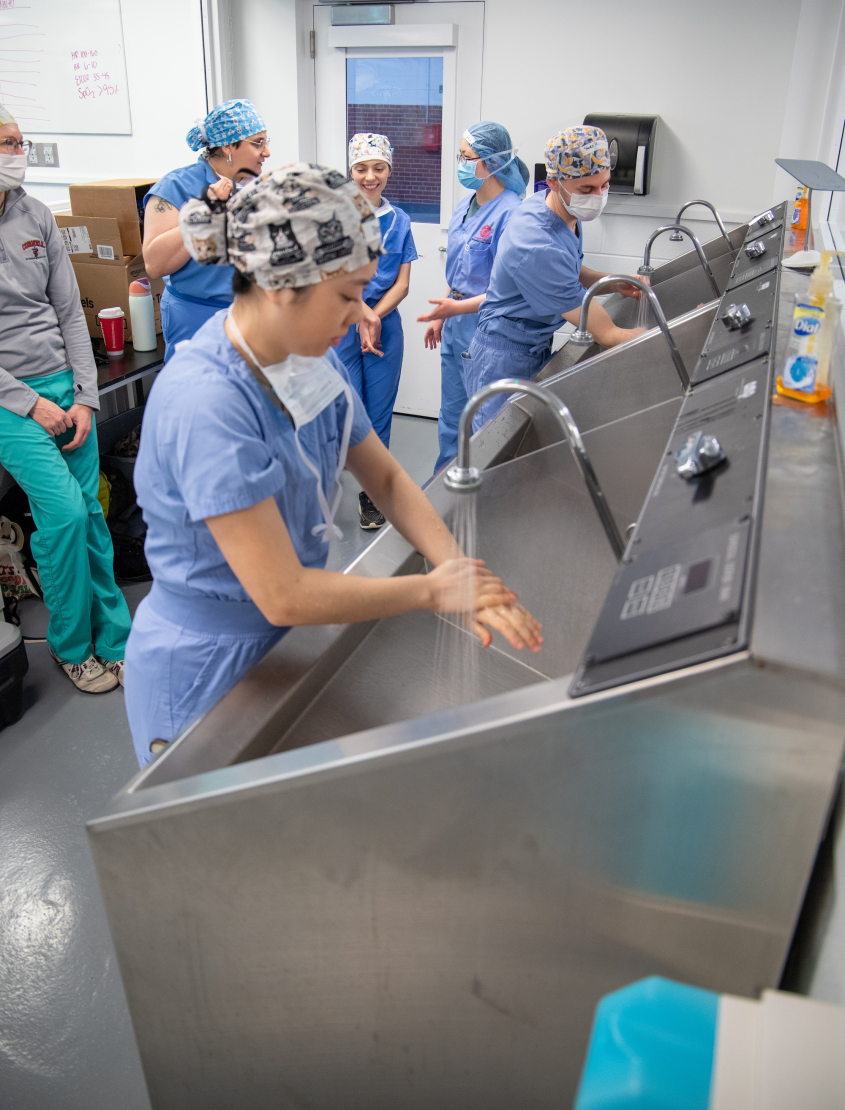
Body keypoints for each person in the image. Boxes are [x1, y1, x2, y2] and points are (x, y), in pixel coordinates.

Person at [124, 163, 541, 767]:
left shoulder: (307, 361)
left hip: (287, 640)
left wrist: (455, 566)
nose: (359, 314)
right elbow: (283, 593)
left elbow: (386, 477)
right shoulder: (207, 402)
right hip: (207, 666)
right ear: (281, 285)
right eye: (347, 296)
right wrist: (430, 590)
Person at [0, 105, 130, 693]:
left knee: (93, 516)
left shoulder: (35, 215)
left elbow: (70, 313)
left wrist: (85, 396)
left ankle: (115, 639)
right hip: (11, 402)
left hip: (64, 387)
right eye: (7, 143)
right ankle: (72, 646)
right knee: (67, 515)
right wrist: (31, 404)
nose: (18, 153)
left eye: (20, 142)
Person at [462, 126, 644, 433]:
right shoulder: (536, 242)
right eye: (587, 189)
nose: (598, 197)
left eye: (604, 185)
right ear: (554, 182)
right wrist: (673, 333)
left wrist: (610, 282)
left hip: (529, 346)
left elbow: (567, 270)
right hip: (504, 357)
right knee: (495, 444)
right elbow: (608, 334)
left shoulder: (553, 208)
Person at [417, 121, 528, 472]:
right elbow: (461, 270)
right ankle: (445, 484)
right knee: (452, 414)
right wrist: (443, 313)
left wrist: (454, 308)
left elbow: (506, 291)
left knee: (483, 420)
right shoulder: (466, 204)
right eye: (460, 156)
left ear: (492, 161)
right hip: (455, 323)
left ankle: (478, 490)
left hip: (487, 329)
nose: (461, 164)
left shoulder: (512, 213)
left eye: (468, 157)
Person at [142, 99, 270, 359]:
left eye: (266, 143)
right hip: (197, 317)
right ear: (228, 146)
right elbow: (154, 265)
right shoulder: (176, 187)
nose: (266, 152)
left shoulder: (255, 189)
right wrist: (204, 211)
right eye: (258, 143)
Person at [337, 133, 418, 532]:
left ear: (389, 170)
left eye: (378, 168)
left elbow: (402, 284)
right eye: (361, 168)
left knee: (379, 414)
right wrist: (362, 313)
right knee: (343, 409)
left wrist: (374, 317)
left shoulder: (400, 221)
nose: (370, 176)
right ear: (350, 171)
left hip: (384, 326)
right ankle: (321, 484)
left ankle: (373, 494)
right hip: (339, 324)